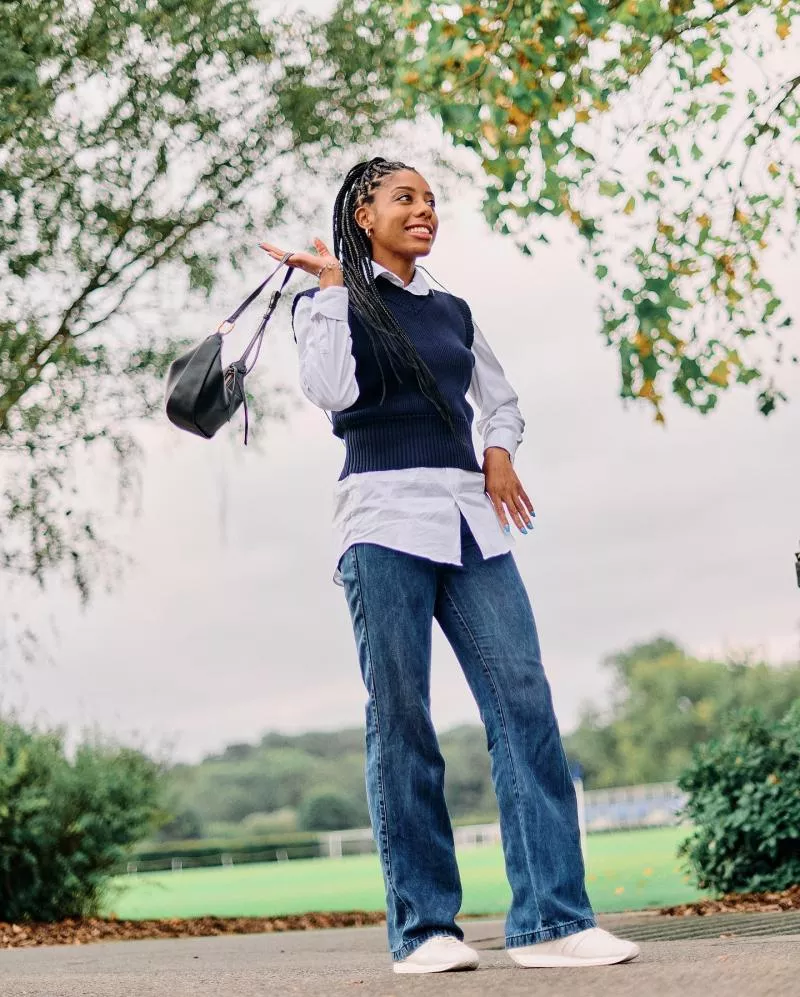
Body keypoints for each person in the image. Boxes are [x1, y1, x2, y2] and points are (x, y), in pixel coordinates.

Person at [259, 156, 640, 975]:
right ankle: (425, 930)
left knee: (525, 702)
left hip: (470, 520)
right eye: (405, 198)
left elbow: (499, 398)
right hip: (382, 518)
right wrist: (329, 288)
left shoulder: (454, 309)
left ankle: (553, 921)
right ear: (364, 214)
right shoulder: (330, 298)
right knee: (402, 721)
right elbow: (329, 392)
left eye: (432, 200)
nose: (425, 210)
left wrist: (498, 450)